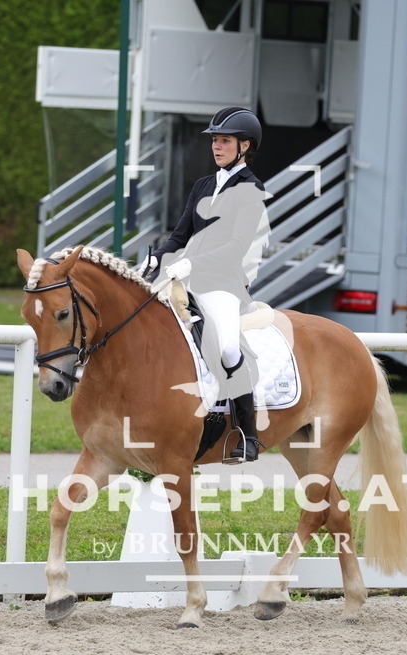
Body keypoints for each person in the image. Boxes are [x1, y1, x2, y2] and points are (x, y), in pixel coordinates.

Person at [146, 107, 270, 464]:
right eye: (215, 140)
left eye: (225, 140)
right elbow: (181, 233)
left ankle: (248, 434)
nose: (217, 146)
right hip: (185, 280)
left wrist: (191, 262)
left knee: (229, 348)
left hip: (222, 284)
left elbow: (236, 246)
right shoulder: (203, 184)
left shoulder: (251, 189)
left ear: (244, 145)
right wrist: (159, 257)